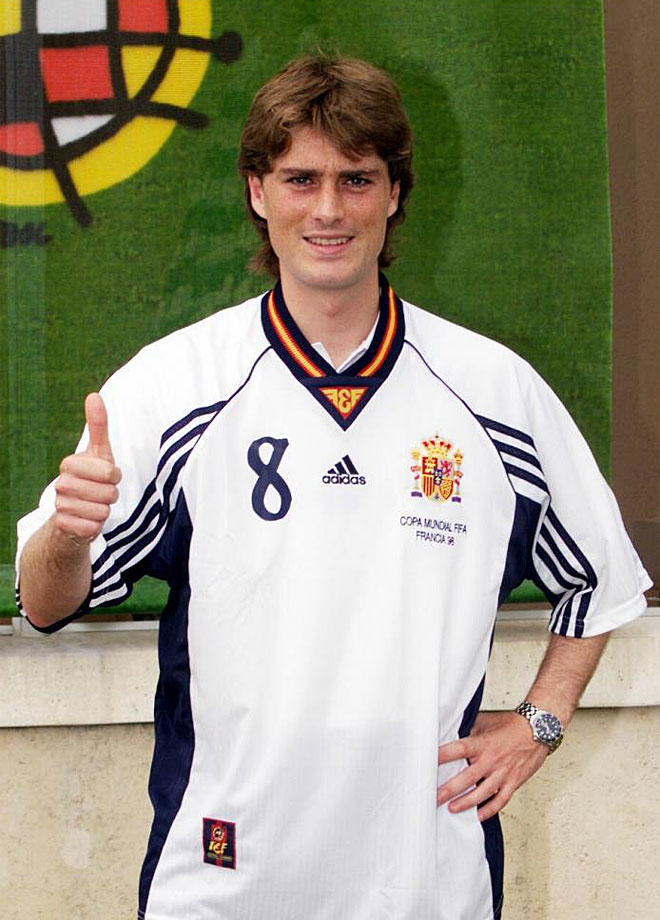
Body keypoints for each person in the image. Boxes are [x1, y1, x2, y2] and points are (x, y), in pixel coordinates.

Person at [16, 54, 650, 920]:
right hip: (223, 881)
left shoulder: (491, 390)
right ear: (256, 192)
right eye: (299, 179)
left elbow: (603, 582)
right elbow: (44, 603)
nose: (327, 210)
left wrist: (538, 724)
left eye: (356, 180)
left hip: (426, 883)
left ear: (394, 194)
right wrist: (69, 533)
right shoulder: (174, 385)